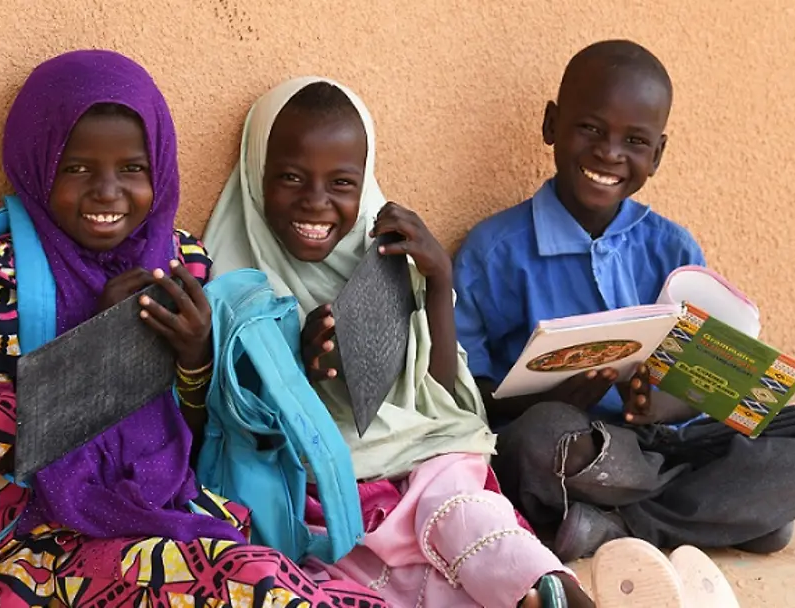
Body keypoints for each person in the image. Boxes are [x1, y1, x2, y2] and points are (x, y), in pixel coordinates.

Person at [0, 50, 384, 608]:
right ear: (38, 164)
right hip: (41, 537)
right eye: (78, 168)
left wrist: (195, 359)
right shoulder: (1, 276)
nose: (108, 192)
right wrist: (93, 350)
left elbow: (199, 428)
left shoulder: (181, 260)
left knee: (288, 585)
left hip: (171, 506)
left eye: (132, 168)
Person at [203, 76, 601, 608]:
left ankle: (544, 589)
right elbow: (226, 422)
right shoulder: (232, 280)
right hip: (331, 494)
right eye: (291, 178)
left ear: (364, 180)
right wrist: (296, 370)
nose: (316, 203)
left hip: (424, 459)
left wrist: (437, 282)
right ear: (256, 177)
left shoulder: (384, 256)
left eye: (341, 183)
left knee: (462, 505)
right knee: (389, 574)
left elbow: (437, 394)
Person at [452, 39, 795, 563]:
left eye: (634, 140)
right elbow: (463, 396)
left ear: (657, 153)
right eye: (590, 128)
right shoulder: (494, 251)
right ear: (550, 125)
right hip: (587, 450)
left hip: (678, 442)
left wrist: (666, 401)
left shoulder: (674, 247)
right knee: (540, 439)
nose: (609, 153)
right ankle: (716, 514)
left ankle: (622, 527)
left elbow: (716, 387)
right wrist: (552, 398)